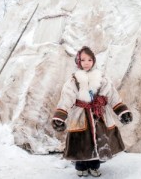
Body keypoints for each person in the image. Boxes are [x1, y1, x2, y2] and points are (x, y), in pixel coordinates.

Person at [52, 46, 133, 177]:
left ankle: (94, 166)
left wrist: (122, 111)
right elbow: (66, 98)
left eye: (90, 59)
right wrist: (60, 116)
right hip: (80, 116)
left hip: (99, 115)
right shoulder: (73, 81)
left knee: (99, 140)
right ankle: (81, 167)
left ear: (94, 61)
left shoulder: (102, 78)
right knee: (81, 142)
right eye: (83, 60)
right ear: (78, 61)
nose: (86, 63)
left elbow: (112, 95)